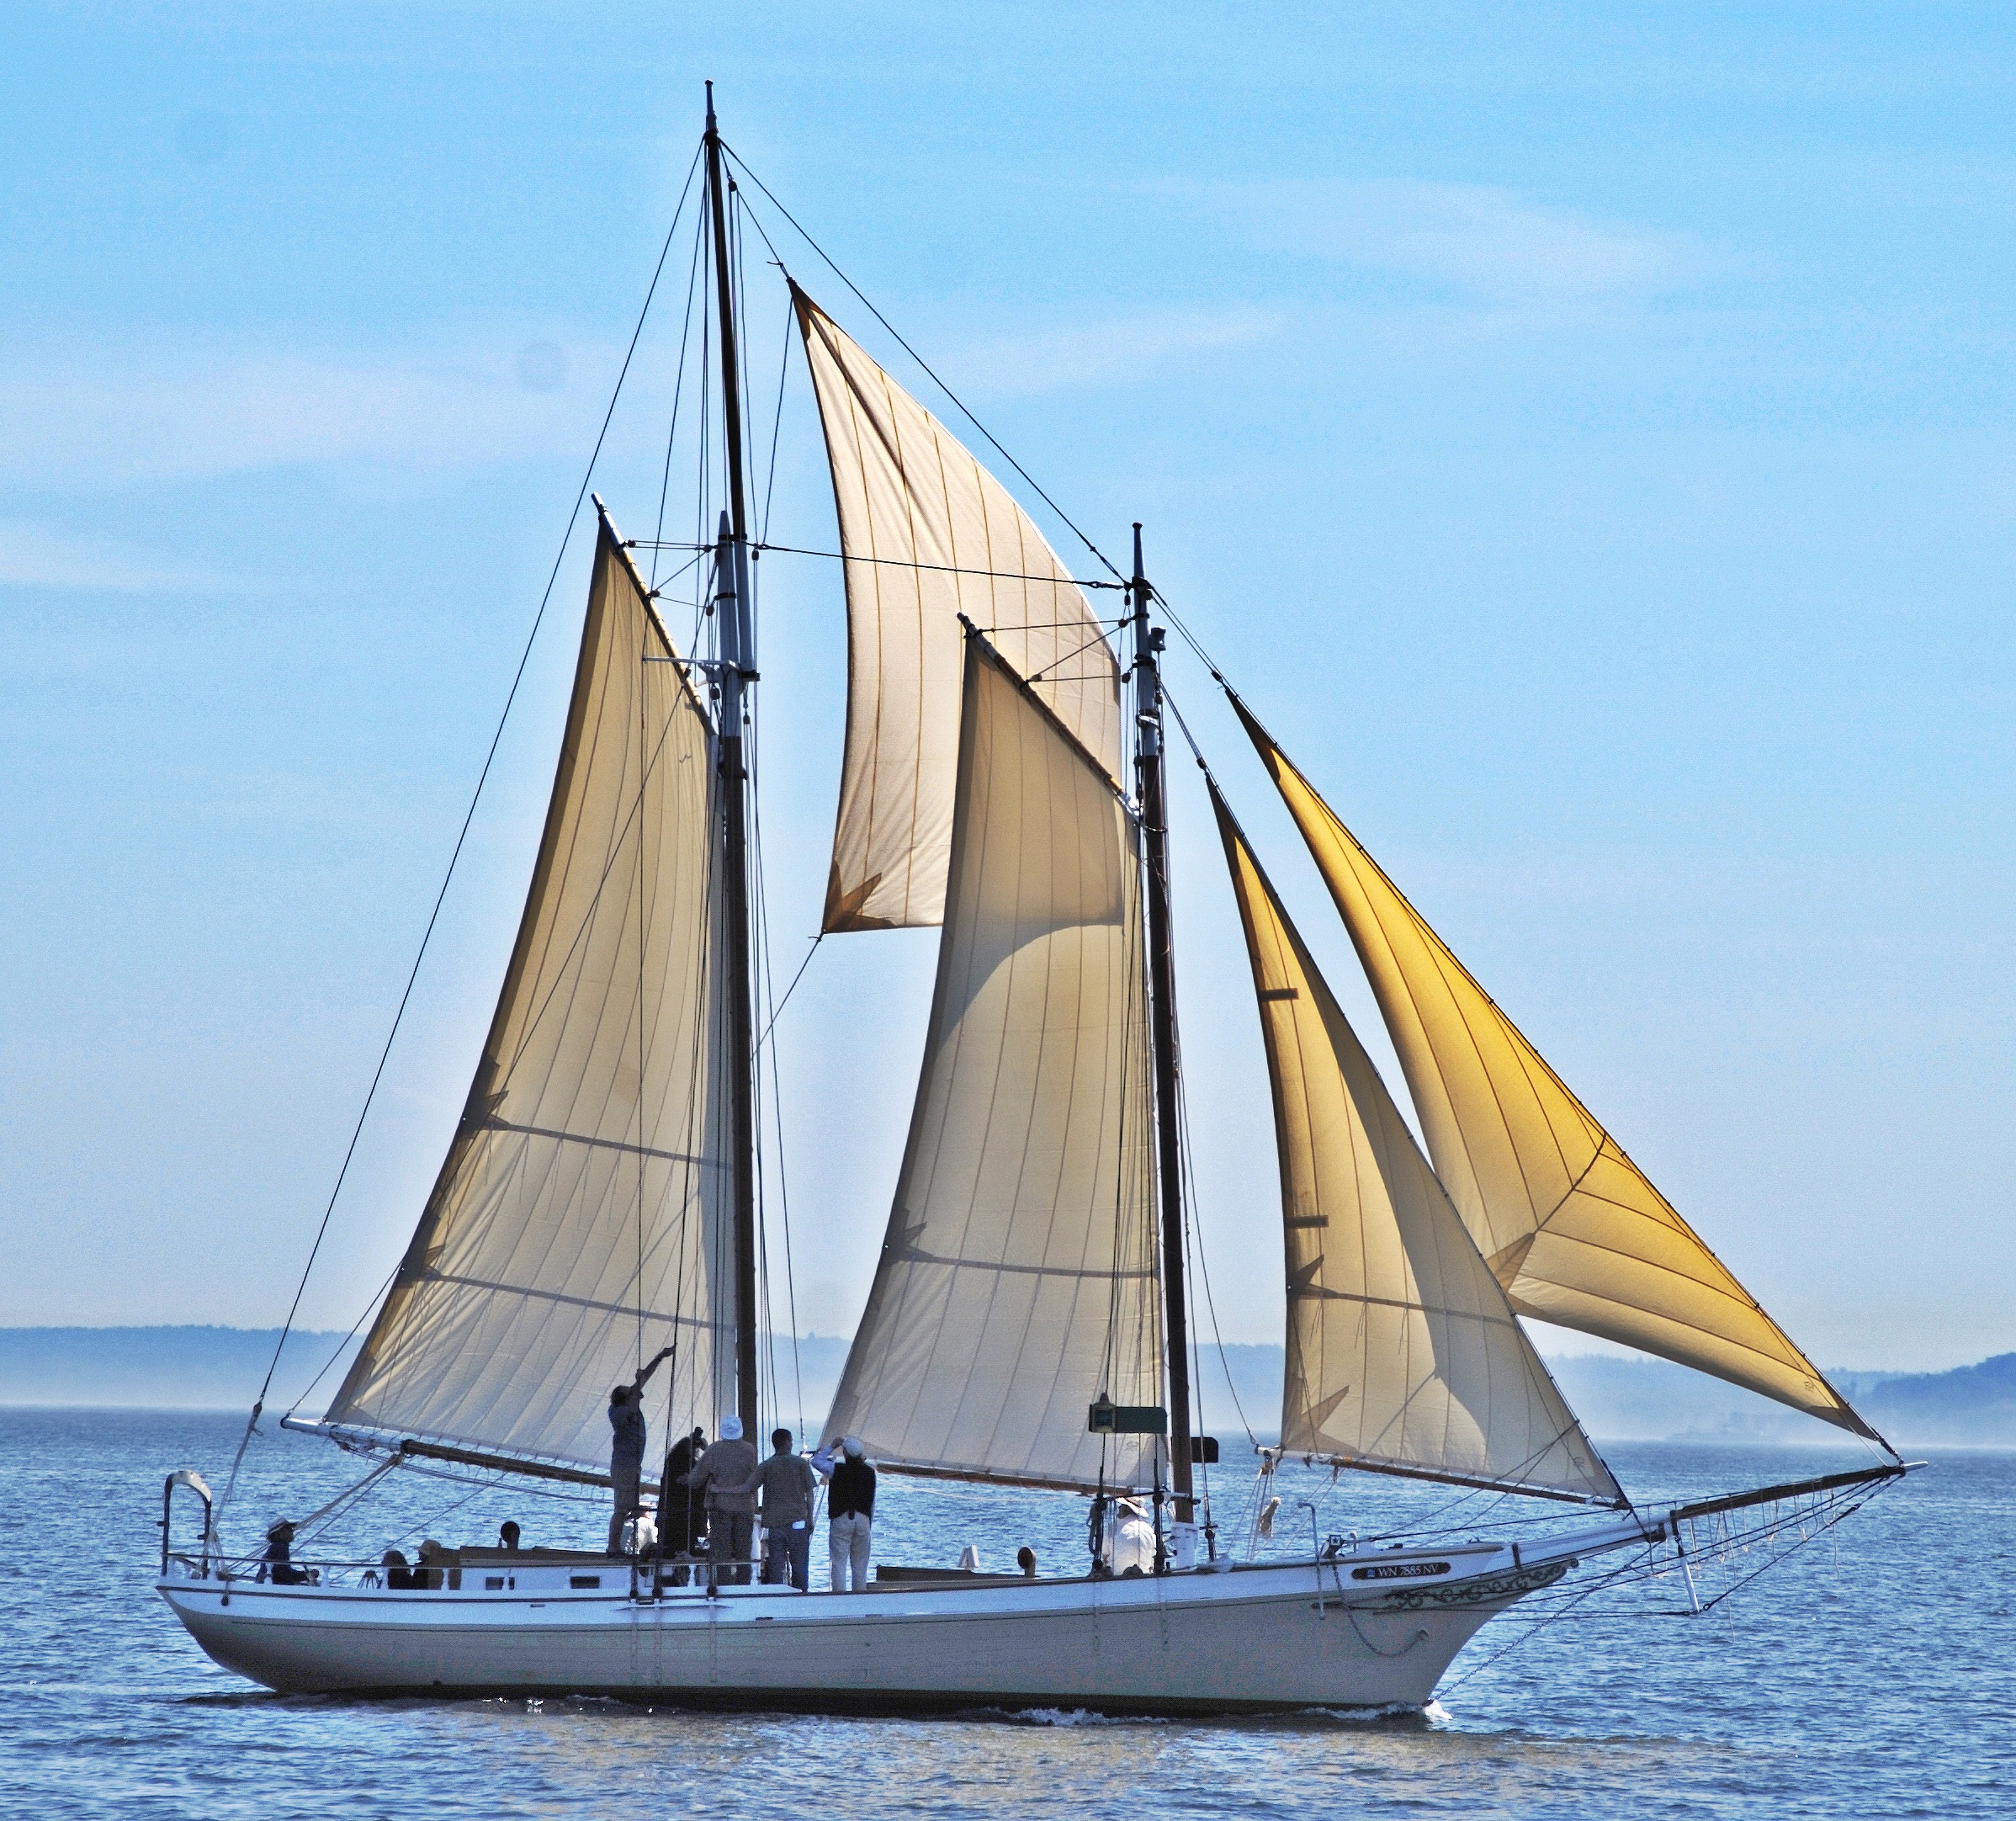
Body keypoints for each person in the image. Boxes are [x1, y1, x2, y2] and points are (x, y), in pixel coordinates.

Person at [606, 1345, 675, 1555]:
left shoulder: (627, 1404)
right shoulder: (618, 1413)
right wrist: (635, 1392)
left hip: (632, 1466)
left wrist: (660, 1357)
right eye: (631, 1392)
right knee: (621, 1509)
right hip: (625, 1467)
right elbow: (632, 1408)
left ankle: (621, 1547)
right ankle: (613, 1547)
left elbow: (644, 1378)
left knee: (629, 1507)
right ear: (625, 1399)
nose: (637, 1393)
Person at [736, 1429, 817, 1591]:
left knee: (776, 1568)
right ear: (787, 1442)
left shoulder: (767, 1466)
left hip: (775, 1525)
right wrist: (810, 1518)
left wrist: (721, 1488)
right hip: (798, 1523)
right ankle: (801, 1597)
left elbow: (749, 1487)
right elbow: (810, 1494)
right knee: (800, 1566)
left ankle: (778, 1596)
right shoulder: (801, 1464)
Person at [682, 1415, 759, 1585]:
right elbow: (755, 1479)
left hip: (721, 1508)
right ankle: (743, 1587)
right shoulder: (750, 1450)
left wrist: (687, 1478)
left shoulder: (714, 1450)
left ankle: (723, 1587)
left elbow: (695, 1481)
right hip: (745, 1507)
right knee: (743, 1553)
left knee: (721, 1552)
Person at [824, 1436, 876, 1593]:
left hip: (841, 1518)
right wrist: (868, 1524)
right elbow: (871, 1502)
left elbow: (816, 1462)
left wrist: (832, 1446)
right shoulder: (870, 1472)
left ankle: (839, 1596)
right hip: (863, 1520)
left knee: (839, 1563)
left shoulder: (836, 1469)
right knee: (860, 1565)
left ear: (845, 1453)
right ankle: (859, 1596)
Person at [659, 1426, 706, 1582]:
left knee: (673, 1547)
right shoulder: (692, 1466)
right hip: (688, 1516)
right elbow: (703, 1479)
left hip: (671, 1515)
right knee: (686, 1545)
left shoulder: (670, 1464)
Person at [259, 1519, 309, 1585]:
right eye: (289, 1529)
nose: (292, 1531)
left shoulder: (276, 1547)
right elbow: (284, 1573)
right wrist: (306, 1575)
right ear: (280, 1532)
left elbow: (283, 1571)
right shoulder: (281, 1547)